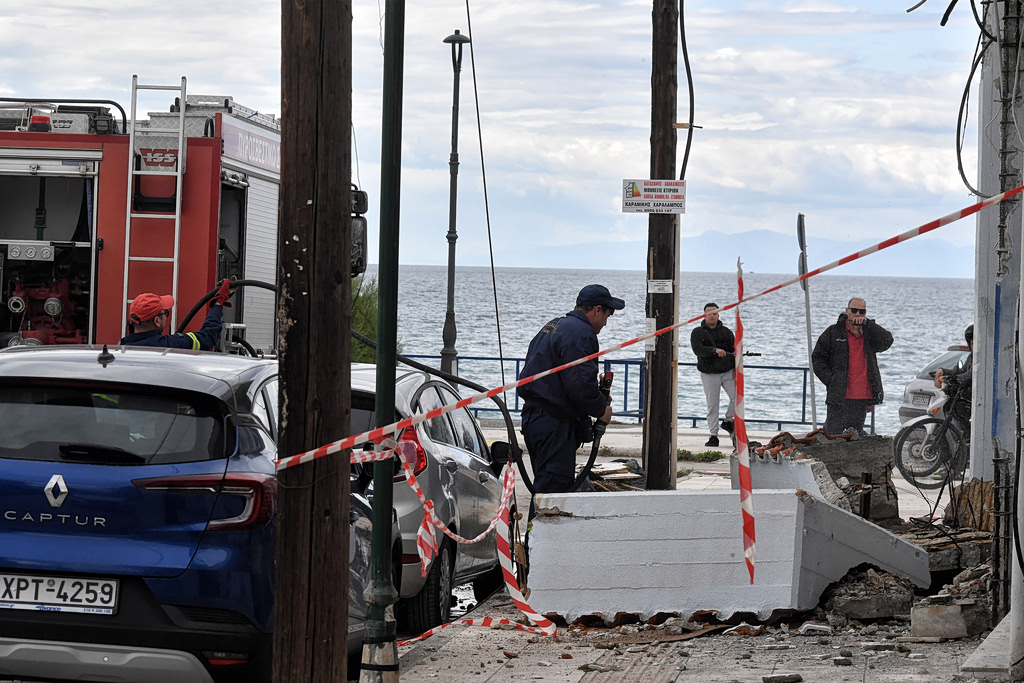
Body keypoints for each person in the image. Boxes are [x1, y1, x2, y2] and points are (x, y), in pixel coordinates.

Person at [518, 284, 622, 513]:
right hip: (554, 423)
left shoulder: (554, 325)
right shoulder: (582, 334)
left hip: (535, 418)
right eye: (608, 314)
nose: (606, 322)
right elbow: (579, 386)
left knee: (545, 488)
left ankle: (534, 545)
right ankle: (539, 546)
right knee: (553, 496)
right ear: (597, 309)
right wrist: (600, 407)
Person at [812, 297, 893, 435]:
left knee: (854, 437)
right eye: (854, 310)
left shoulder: (869, 334)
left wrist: (869, 324)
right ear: (847, 311)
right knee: (833, 436)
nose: (857, 314)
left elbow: (887, 341)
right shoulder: (834, 332)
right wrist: (831, 381)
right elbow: (817, 358)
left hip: (862, 397)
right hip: (839, 396)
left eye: (862, 312)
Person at [119, 279, 232, 350]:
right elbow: (207, 337)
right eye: (166, 313)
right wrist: (217, 304)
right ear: (157, 321)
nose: (167, 317)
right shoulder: (168, 346)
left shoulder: (120, 347)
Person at [690, 303, 736, 447]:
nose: (712, 316)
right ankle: (713, 435)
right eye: (709, 313)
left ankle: (728, 421)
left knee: (737, 398)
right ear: (704, 315)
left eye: (715, 313)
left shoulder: (727, 332)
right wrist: (714, 351)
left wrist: (735, 369)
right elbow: (698, 350)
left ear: (718, 315)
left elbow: (734, 351)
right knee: (713, 406)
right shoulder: (697, 332)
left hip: (727, 372)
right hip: (709, 373)